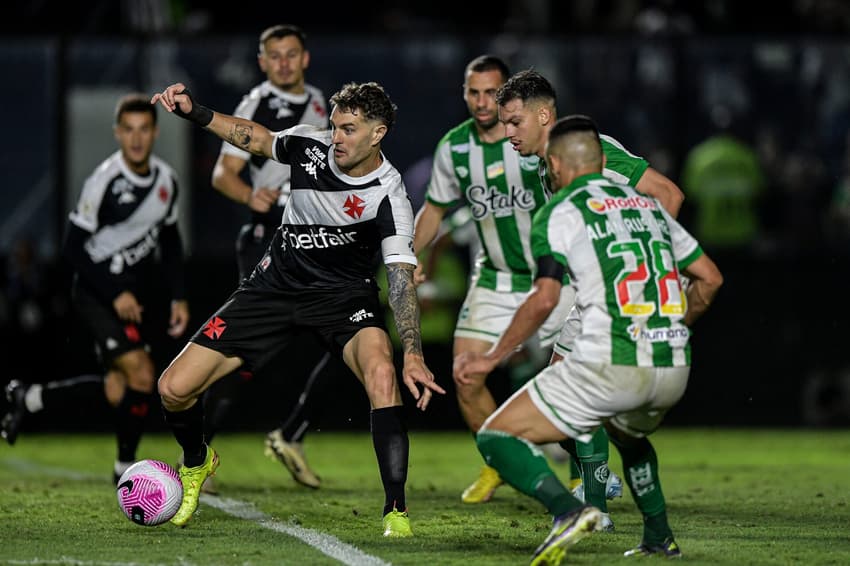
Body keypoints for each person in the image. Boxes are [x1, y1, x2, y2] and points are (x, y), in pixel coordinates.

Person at [150, 80, 444, 535]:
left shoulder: (390, 195)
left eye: (349, 129)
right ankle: (197, 461)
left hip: (343, 296)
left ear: (378, 133)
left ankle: (396, 512)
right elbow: (257, 137)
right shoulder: (310, 145)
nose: (337, 137)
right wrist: (196, 113)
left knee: (382, 374)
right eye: (335, 126)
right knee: (172, 388)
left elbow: (401, 280)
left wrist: (414, 352)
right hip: (276, 286)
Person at [455, 115, 723, 564]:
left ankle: (570, 510)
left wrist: (491, 357)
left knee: (496, 435)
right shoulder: (649, 207)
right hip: (674, 363)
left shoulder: (558, 211)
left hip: (613, 361)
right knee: (628, 435)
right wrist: (677, 324)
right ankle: (659, 536)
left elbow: (544, 300)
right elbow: (710, 280)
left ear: (556, 165)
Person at [490, 68, 686, 523]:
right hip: (592, 288)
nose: (507, 132)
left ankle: (594, 500)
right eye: (503, 123)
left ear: (544, 115)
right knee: (569, 401)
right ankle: (597, 488)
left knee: (566, 395)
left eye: (515, 121)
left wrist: (659, 265)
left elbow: (668, 195)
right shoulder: (546, 163)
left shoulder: (593, 152)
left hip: (614, 289)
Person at [413, 55, 606, 507]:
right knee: (464, 376)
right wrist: (410, 254)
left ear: (506, 97)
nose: (481, 103)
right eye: (472, 92)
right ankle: (507, 459)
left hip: (556, 280)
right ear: (463, 94)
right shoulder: (454, 149)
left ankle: (584, 481)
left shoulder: (537, 143)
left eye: (490, 93)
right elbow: (435, 213)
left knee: (573, 379)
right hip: (495, 279)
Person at [1, 94, 190, 484]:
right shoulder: (104, 180)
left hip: (132, 295)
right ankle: (125, 469)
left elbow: (170, 241)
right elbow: (73, 248)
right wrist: (114, 291)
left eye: (144, 130)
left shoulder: (166, 181)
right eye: (129, 130)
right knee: (141, 374)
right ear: (118, 133)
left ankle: (30, 397)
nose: (136, 139)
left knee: (116, 388)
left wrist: (179, 295)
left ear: (154, 133)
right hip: (95, 291)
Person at [203, 23, 331, 492]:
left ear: (305, 57)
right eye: (274, 56)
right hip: (266, 237)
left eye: (290, 54)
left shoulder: (322, 103)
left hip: (312, 238)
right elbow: (224, 174)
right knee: (245, 350)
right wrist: (250, 197)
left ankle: (292, 434)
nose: (283, 62)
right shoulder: (255, 103)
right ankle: (198, 451)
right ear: (262, 62)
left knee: (356, 335)